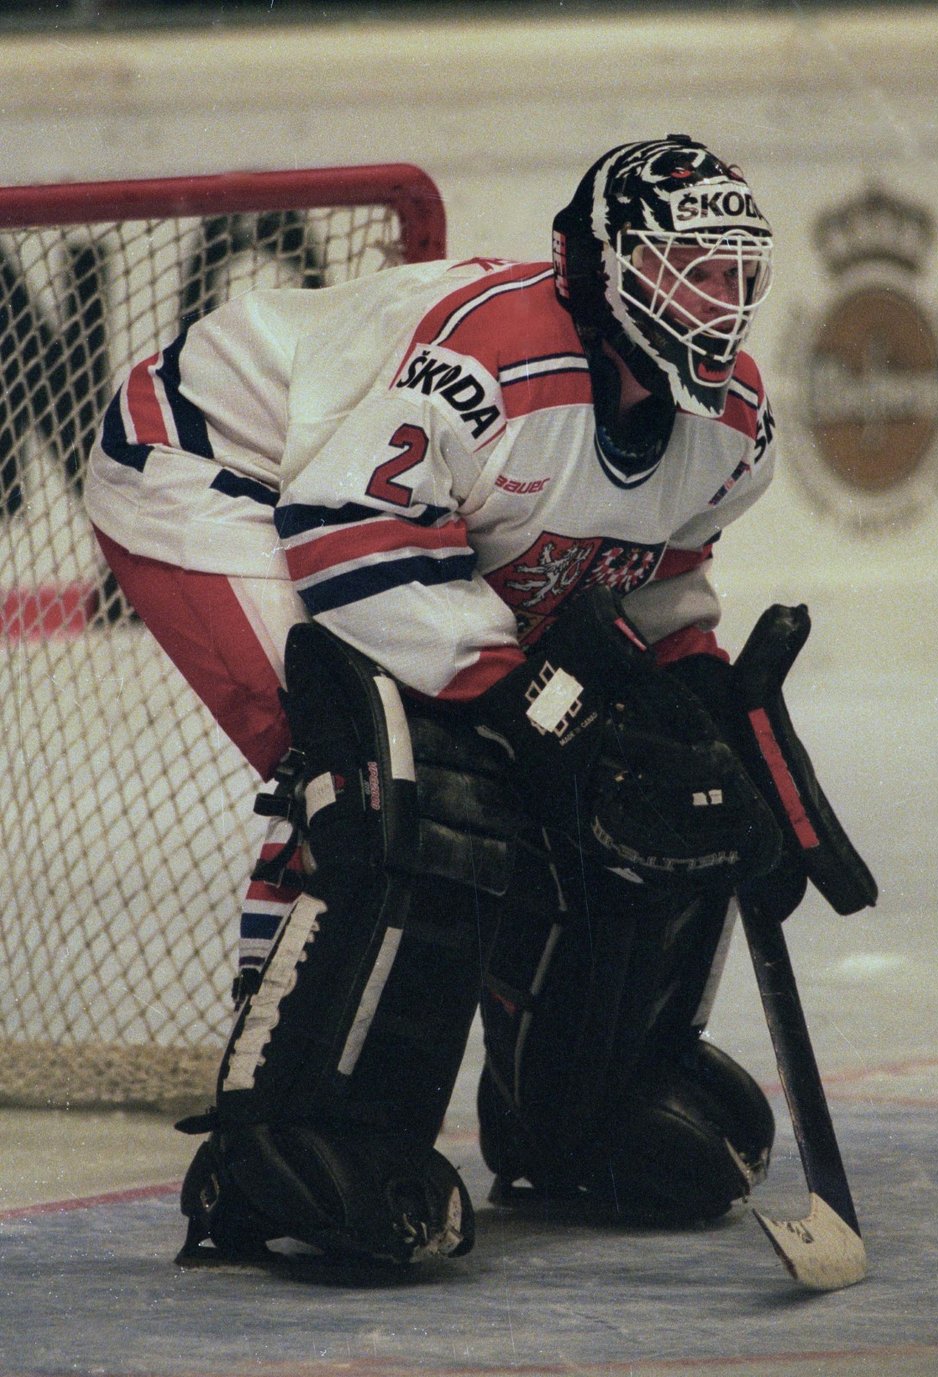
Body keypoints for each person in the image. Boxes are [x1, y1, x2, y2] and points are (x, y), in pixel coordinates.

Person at [85, 136, 867, 1270]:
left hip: (387, 508)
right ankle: (290, 1131)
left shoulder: (733, 432)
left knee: (655, 783)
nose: (715, 299)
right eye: (683, 266)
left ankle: (575, 1109)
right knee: (380, 769)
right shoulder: (496, 369)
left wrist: (704, 713)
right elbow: (350, 542)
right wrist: (534, 708)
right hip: (223, 470)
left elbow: (643, 590)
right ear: (596, 269)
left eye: (732, 272)